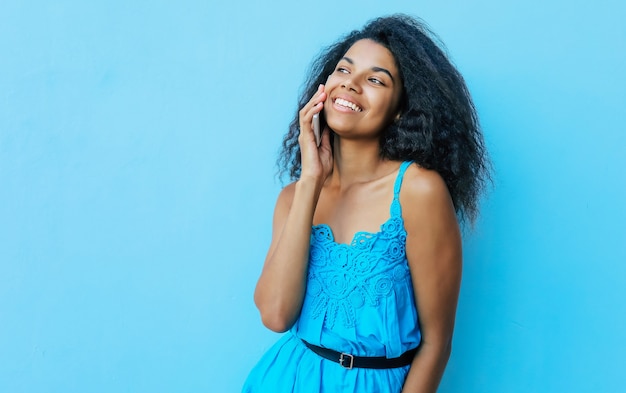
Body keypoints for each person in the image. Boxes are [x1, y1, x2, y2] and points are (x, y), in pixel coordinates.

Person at [243, 14, 490, 393]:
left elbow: (436, 345)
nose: (351, 84)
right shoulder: (293, 197)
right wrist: (310, 182)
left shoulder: (418, 192)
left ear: (400, 110)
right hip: (285, 381)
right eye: (344, 69)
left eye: (375, 80)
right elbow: (276, 315)